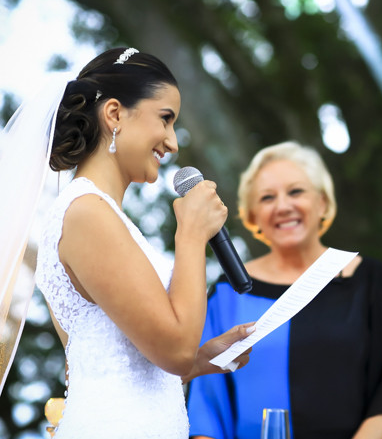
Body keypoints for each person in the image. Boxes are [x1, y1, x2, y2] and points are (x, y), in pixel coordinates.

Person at [0, 47, 253, 438]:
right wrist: (190, 234)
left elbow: (119, 360)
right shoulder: (87, 214)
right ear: (115, 114)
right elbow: (174, 350)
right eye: (165, 119)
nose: (172, 143)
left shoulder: (102, 216)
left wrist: (200, 361)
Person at [186, 141, 382, 439]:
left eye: (296, 191)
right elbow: (205, 408)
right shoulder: (227, 292)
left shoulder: (369, 280)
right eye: (267, 198)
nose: (283, 206)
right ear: (252, 216)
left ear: (323, 203)